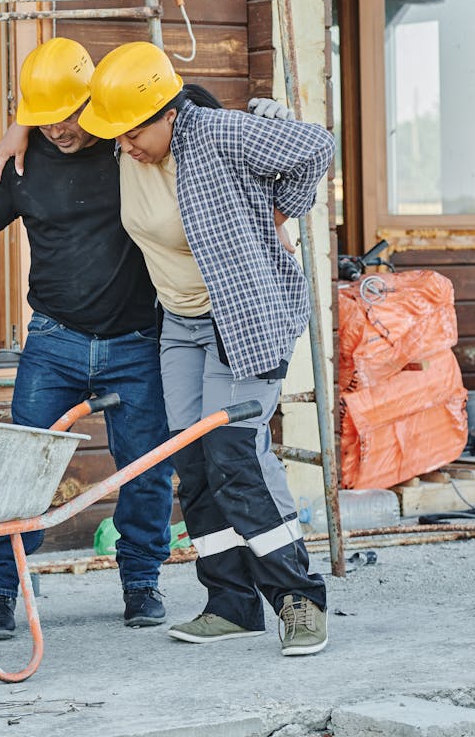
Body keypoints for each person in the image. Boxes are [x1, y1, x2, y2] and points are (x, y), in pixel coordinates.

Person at [78, 41, 335, 655]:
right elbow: (57, 113)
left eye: (132, 131)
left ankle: (298, 599)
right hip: (182, 323)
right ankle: (230, 603)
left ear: (167, 111)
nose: (123, 145)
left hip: (243, 316)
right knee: (191, 461)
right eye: (115, 134)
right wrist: (14, 132)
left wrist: (277, 210)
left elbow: (316, 147)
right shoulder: (127, 154)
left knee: (234, 455)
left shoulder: (220, 134)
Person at [0, 38, 173, 640]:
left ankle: (141, 580)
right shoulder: (21, 158)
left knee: (146, 469)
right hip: (52, 341)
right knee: (22, 467)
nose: (59, 130)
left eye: (69, 115)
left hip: (135, 340)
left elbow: (180, 100)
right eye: (44, 119)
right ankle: (1, 588)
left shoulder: (126, 144)